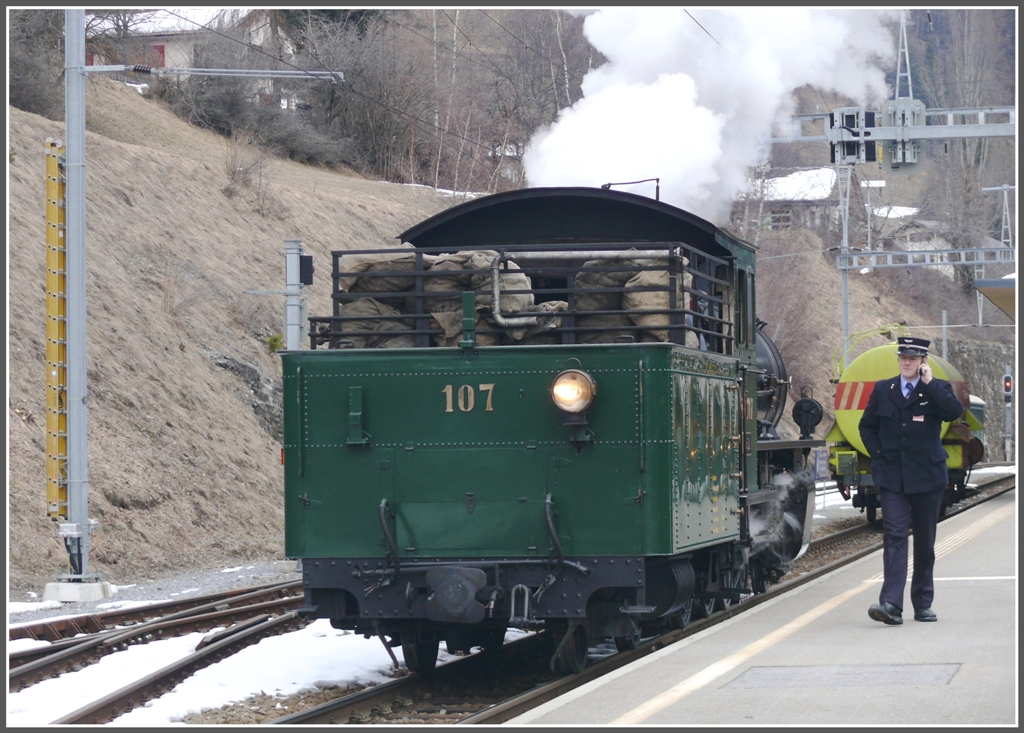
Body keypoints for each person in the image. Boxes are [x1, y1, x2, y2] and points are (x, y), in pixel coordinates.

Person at [858, 336, 964, 625]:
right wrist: (878, 453)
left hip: (928, 477)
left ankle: (922, 603)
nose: (907, 362)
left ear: (922, 362)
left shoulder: (937, 389)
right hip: (892, 476)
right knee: (894, 536)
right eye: (903, 357)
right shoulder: (883, 389)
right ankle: (890, 603)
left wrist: (930, 384)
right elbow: (867, 426)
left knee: (925, 543)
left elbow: (954, 413)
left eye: (913, 359)